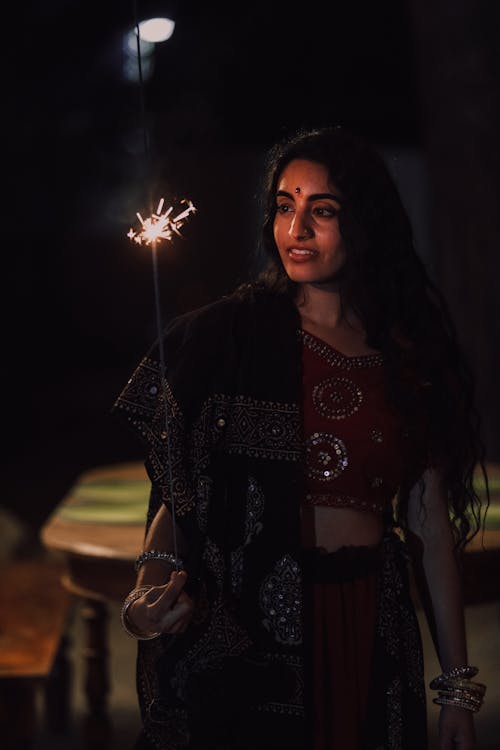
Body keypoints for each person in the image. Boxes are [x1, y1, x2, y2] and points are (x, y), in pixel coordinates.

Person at [113, 126, 489, 750]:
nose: (298, 228)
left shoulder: (406, 357)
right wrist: (150, 584)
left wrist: (455, 690)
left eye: (324, 210)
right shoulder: (228, 336)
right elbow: (179, 491)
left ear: (365, 222)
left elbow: (428, 523)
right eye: (285, 206)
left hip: (368, 620)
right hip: (247, 633)